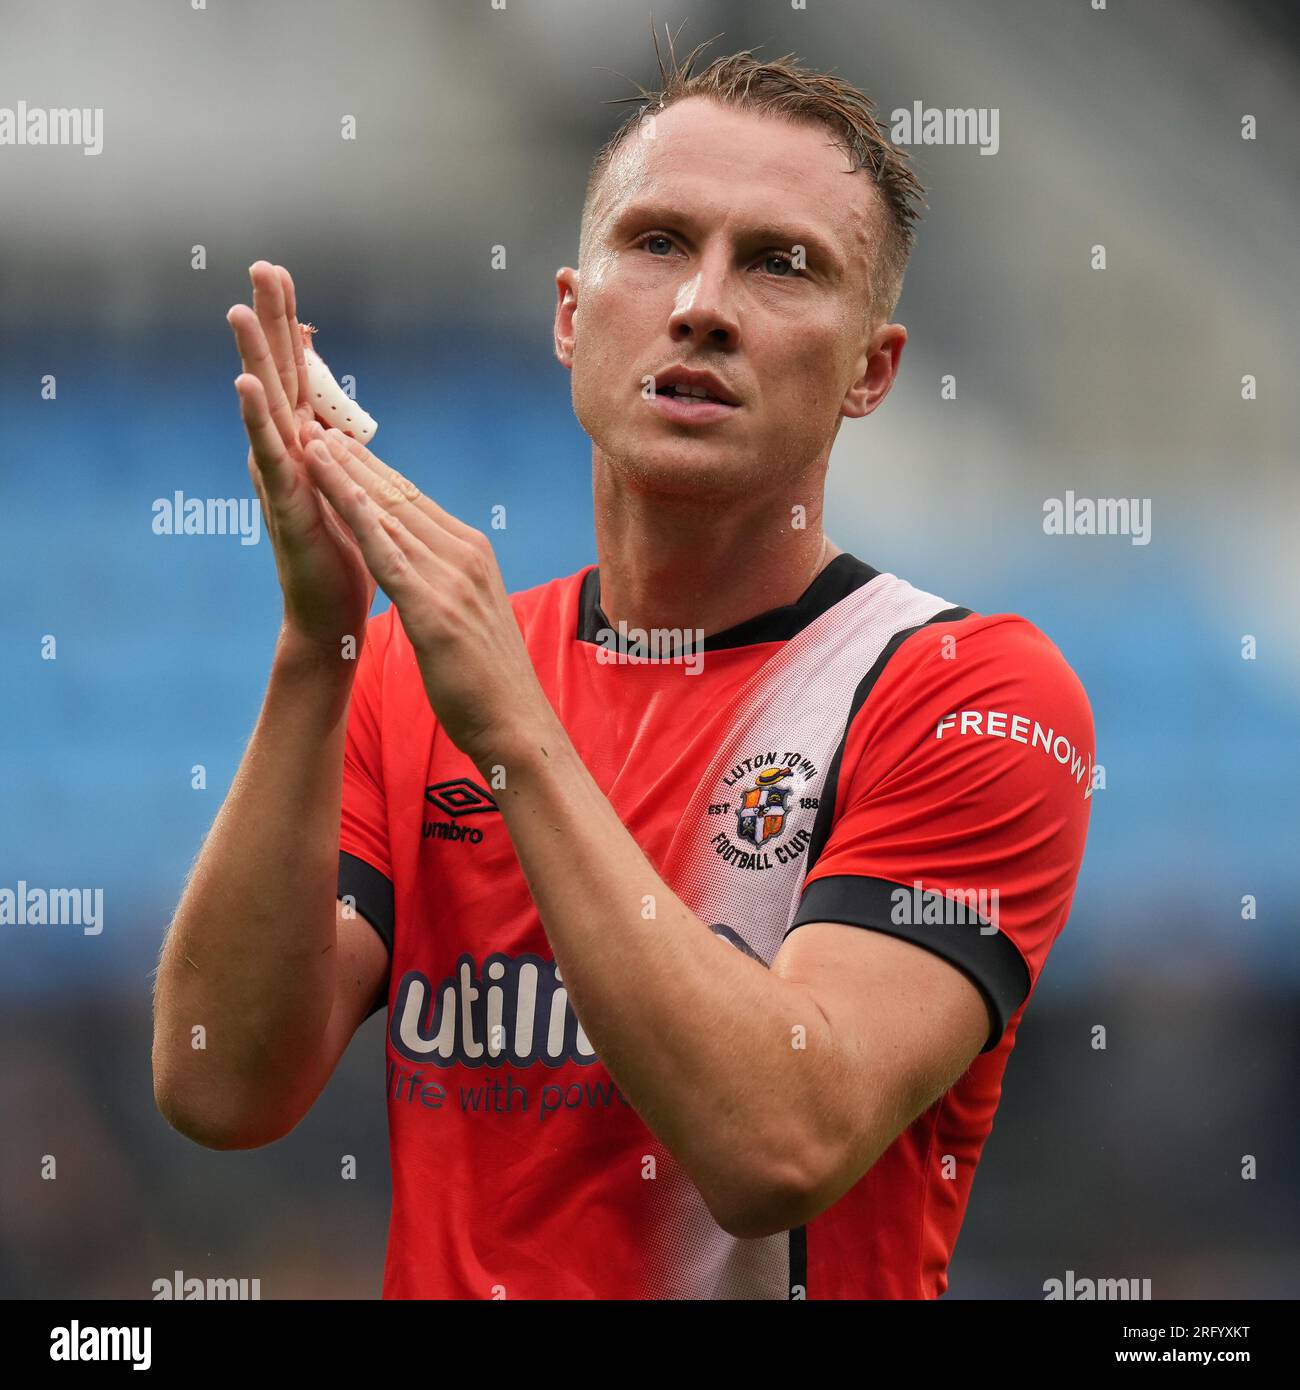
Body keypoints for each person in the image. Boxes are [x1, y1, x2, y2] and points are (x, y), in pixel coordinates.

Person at [152, 36, 1093, 1300]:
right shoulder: (403, 669)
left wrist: (514, 733)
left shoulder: (967, 697)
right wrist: (316, 648)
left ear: (871, 370)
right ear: (569, 314)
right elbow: (218, 1084)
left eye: (781, 263)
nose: (702, 303)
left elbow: (777, 1144)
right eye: (655, 243)